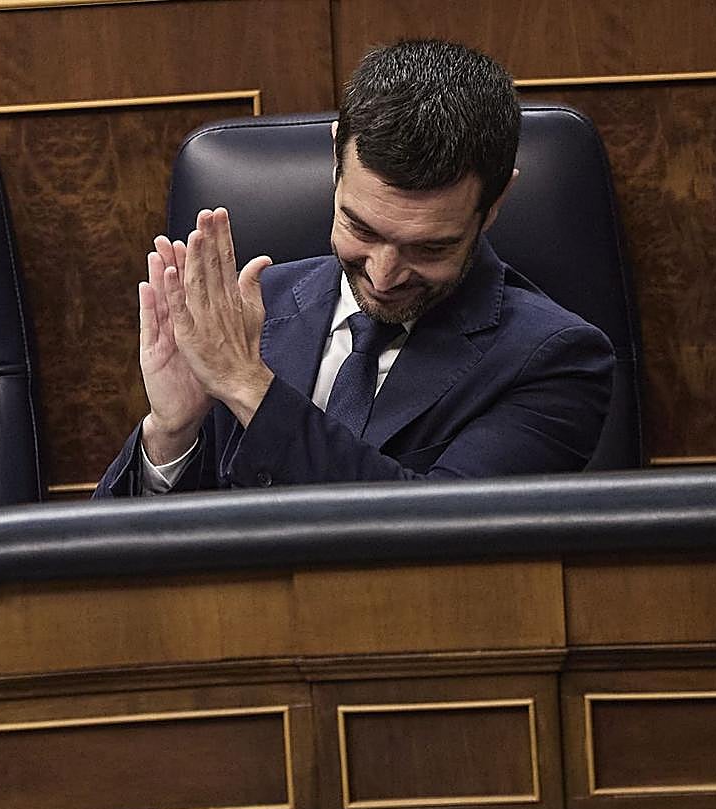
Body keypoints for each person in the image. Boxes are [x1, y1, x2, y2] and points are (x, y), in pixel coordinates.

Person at [95, 39, 613, 496]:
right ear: (337, 163)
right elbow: (109, 565)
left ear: (495, 205)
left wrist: (247, 386)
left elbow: (441, 538)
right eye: (362, 231)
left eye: (429, 249)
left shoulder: (557, 359)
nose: (385, 275)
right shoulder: (248, 311)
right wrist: (171, 433)